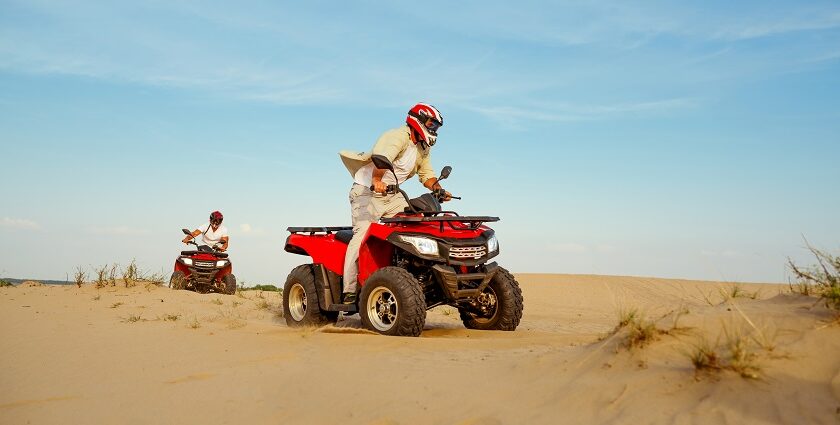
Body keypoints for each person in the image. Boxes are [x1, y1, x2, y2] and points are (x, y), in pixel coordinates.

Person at [338, 103, 451, 304]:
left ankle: (411, 277)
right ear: (418, 119)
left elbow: (426, 174)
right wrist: (377, 181)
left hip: (392, 195)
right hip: (367, 191)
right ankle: (349, 291)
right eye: (431, 123)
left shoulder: (422, 148)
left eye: (436, 126)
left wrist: (437, 189)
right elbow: (381, 159)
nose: (433, 129)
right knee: (362, 236)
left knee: (412, 226)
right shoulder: (397, 136)